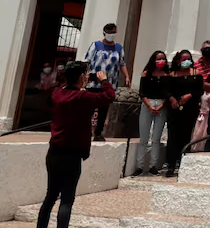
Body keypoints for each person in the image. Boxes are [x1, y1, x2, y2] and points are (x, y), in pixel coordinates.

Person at [36, 62, 115, 228]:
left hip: (54, 152)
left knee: (50, 196)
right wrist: (104, 81)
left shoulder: (57, 93)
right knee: (66, 199)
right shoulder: (83, 97)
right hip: (71, 154)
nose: (87, 77)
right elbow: (109, 96)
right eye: (85, 75)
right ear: (81, 77)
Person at [81, 24, 130, 141]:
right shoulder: (96, 45)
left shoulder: (118, 48)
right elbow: (87, 61)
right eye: (110, 32)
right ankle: (85, 132)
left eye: (114, 32)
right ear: (104, 32)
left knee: (103, 109)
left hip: (109, 84)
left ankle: (98, 133)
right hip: (93, 83)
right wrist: (84, 77)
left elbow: (122, 63)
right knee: (89, 109)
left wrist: (127, 76)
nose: (112, 35)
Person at [163, 50, 203, 176]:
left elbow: (200, 90)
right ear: (178, 60)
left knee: (185, 136)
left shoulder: (196, 74)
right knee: (173, 137)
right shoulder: (172, 74)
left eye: (188, 58)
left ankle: (182, 163)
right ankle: (170, 165)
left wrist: (190, 95)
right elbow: (165, 90)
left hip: (190, 108)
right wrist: (172, 99)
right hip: (174, 109)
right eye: (183, 59)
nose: (186, 61)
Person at [134, 51, 171, 175]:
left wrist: (162, 105)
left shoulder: (168, 75)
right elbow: (142, 92)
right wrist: (149, 106)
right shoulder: (146, 74)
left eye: (163, 59)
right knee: (143, 137)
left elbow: (168, 93)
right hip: (147, 103)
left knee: (156, 138)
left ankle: (153, 165)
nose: (161, 61)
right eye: (158, 59)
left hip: (162, 104)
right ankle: (139, 166)